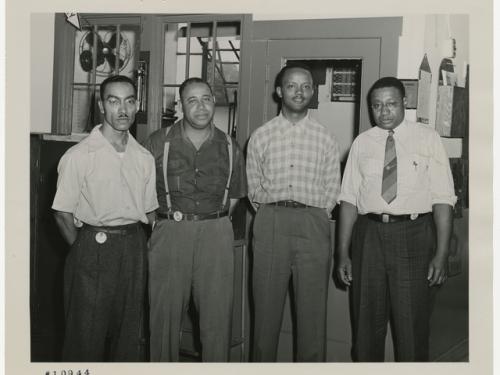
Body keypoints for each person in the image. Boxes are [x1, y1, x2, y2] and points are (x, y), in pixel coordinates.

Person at [335, 76, 456, 361]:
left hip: (413, 235)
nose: (384, 111)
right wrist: (342, 253)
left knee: (411, 328)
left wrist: (441, 254)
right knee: (365, 327)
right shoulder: (362, 143)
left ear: (404, 103)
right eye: (377, 105)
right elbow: (349, 200)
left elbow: (443, 200)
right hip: (369, 237)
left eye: (391, 104)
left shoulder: (428, 138)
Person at [52, 75, 159, 361]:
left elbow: (150, 212)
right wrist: (85, 249)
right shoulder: (79, 155)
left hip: (134, 246)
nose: (122, 109)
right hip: (92, 244)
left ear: (137, 106)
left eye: (129, 101)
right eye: (114, 101)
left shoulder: (144, 157)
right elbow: (62, 213)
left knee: (128, 336)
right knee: (84, 336)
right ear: (102, 106)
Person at [143, 77, 247, 362]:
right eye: (192, 100)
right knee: (163, 318)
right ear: (180, 105)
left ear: (214, 101)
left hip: (216, 233)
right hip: (170, 232)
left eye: (206, 99)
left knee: (217, 320)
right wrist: (160, 224)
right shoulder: (157, 142)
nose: (201, 107)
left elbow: (235, 195)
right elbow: (142, 193)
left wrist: (213, 220)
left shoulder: (229, 145)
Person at [246, 64, 341, 362]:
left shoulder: (325, 138)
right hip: (271, 221)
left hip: (313, 222)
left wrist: (312, 215)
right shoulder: (261, 136)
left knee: (312, 315)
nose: (298, 92)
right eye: (291, 86)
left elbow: (331, 190)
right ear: (279, 91)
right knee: (265, 315)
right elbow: (254, 188)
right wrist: (273, 213)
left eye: (305, 86)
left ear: (312, 92)